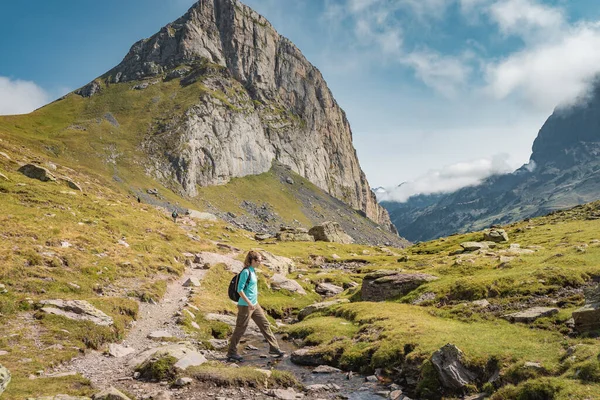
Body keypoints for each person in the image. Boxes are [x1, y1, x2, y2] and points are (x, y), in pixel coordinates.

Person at [227, 250, 285, 362]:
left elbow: (251, 287)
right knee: (240, 328)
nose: (260, 263)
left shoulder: (253, 271)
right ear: (253, 260)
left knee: (265, 324)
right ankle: (231, 352)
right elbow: (240, 290)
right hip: (245, 305)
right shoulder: (246, 272)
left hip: (254, 304)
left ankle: (274, 348)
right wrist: (249, 303)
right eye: (259, 260)